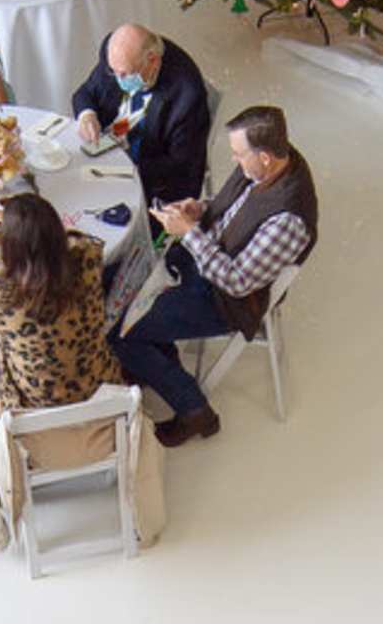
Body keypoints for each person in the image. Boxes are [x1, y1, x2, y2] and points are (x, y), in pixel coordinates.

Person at [112, 104, 316, 448]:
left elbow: (236, 282)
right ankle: (157, 357)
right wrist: (200, 209)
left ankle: (194, 410)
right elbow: (233, 209)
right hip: (207, 259)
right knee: (126, 283)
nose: (235, 161)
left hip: (225, 300)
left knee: (122, 331)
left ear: (265, 157)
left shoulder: (288, 220)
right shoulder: (270, 166)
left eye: (239, 154)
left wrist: (190, 233)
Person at [0, 191, 118, 437]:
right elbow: (76, 238)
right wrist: (29, 226)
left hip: (37, 416)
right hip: (100, 388)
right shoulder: (88, 257)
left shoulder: (6, 298)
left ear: (12, 248)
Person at [68, 22, 214, 210]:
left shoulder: (186, 94)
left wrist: (122, 168)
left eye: (124, 74)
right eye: (114, 72)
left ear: (152, 61)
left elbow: (180, 166)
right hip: (105, 146)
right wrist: (87, 115)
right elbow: (85, 93)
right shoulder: (117, 56)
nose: (118, 79)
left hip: (146, 172)